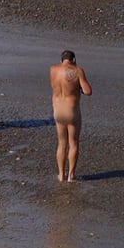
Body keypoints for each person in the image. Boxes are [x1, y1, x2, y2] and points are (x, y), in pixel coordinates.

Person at [50, 51, 93, 183]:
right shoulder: (77, 70)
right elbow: (88, 91)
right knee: (73, 143)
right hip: (72, 111)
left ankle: (61, 174)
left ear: (62, 59)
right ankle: (71, 175)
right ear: (73, 59)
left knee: (62, 143)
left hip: (57, 110)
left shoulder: (52, 70)